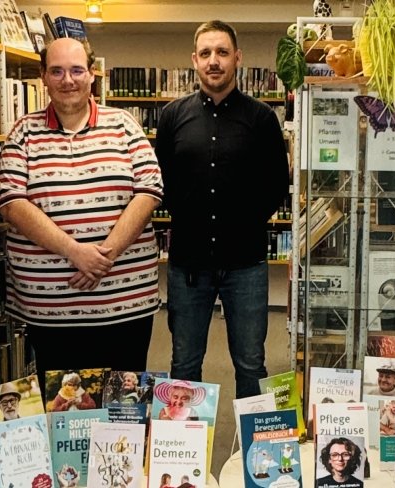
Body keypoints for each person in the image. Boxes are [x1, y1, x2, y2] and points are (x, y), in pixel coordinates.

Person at [0, 37, 163, 388]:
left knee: (123, 404)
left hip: (124, 304)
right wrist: (75, 252)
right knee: (64, 406)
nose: (67, 80)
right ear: (43, 76)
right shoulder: (23, 132)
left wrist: (103, 257)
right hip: (50, 310)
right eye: (57, 71)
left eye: (76, 70)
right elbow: (11, 202)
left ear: (91, 74)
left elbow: (149, 192)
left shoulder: (124, 125)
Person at [155, 20, 289, 398]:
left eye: (222, 52)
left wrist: (243, 222)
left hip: (245, 263)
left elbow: (277, 184)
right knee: (184, 364)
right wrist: (190, 216)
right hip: (188, 264)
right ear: (194, 60)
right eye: (206, 53)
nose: (214, 61)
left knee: (251, 364)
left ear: (237, 58)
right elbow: (159, 180)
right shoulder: (172, 116)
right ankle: (185, 438)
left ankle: (253, 438)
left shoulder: (262, 118)